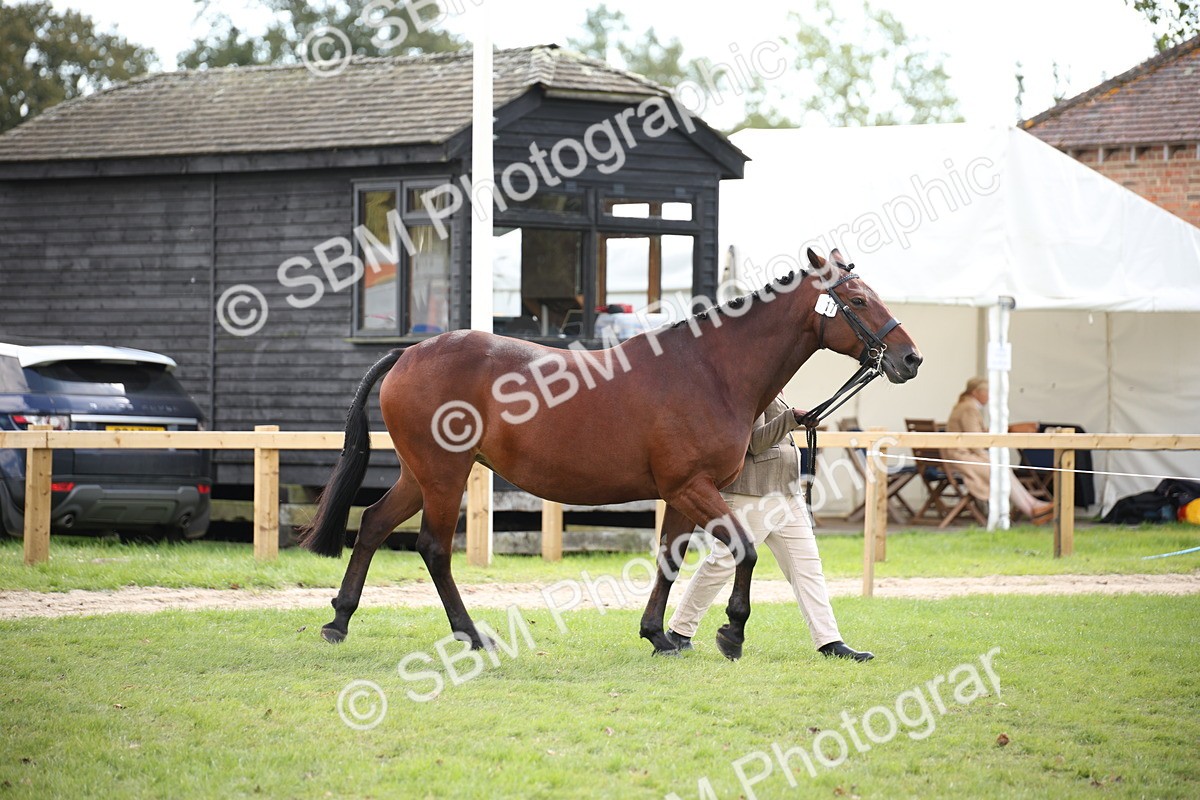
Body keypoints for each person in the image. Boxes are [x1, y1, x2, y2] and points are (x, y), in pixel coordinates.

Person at [666, 396, 873, 662]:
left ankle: (830, 641)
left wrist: (798, 421)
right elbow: (754, 443)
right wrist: (791, 419)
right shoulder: (750, 385)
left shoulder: (776, 381)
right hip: (752, 495)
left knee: (807, 568)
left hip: (788, 493)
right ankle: (679, 631)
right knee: (723, 564)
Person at [945, 377, 1054, 524]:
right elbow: (975, 441)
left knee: (1002, 469)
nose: (990, 396)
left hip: (965, 456)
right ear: (976, 392)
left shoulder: (967, 406)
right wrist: (986, 455)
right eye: (988, 392)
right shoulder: (968, 408)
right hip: (962, 459)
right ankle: (1031, 508)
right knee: (999, 471)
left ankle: (1034, 505)